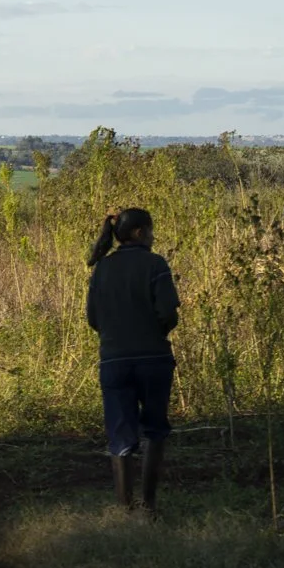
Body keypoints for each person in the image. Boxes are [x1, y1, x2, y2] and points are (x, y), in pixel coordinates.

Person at [85, 208, 180, 513]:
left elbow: (93, 318)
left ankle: (124, 508)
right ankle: (149, 506)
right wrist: (154, 332)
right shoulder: (155, 264)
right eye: (150, 231)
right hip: (154, 359)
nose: (153, 237)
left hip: (114, 361)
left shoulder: (101, 269)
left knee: (120, 434)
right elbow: (168, 313)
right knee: (154, 430)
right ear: (139, 232)